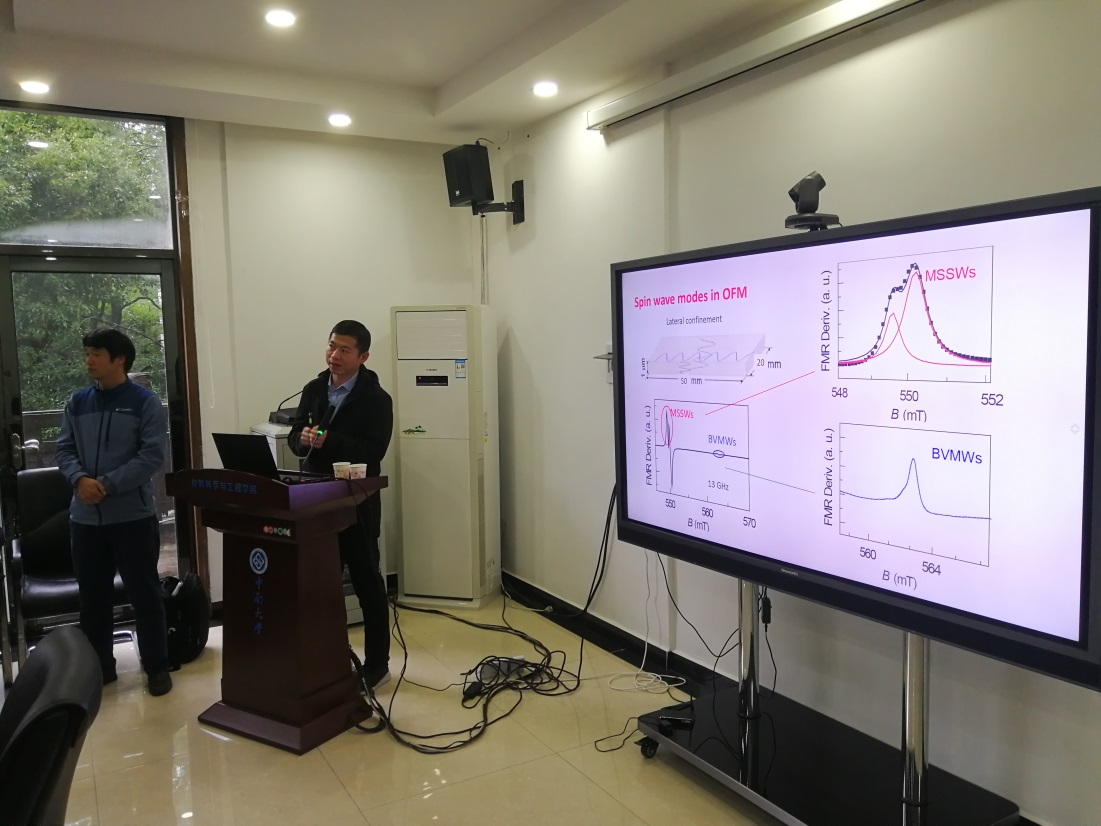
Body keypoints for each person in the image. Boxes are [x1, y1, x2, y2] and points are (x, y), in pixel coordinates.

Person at [55, 328, 172, 695]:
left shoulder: (144, 402)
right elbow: (64, 449)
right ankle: (100, 670)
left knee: (145, 595)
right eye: (87, 353)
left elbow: (151, 456)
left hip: (132, 518)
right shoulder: (77, 402)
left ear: (119, 359)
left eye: (96, 354)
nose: (89, 360)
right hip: (85, 519)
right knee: (93, 600)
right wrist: (79, 479)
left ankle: (156, 667)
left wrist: (104, 484)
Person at [287, 320, 394, 689]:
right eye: (332, 346)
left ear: (363, 357)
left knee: (367, 582)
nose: (334, 355)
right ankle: (326, 659)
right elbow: (295, 437)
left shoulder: (376, 399)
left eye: (344, 350)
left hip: (356, 501)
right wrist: (302, 439)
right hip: (317, 500)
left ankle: (377, 664)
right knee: (321, 583)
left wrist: (329, 440)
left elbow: (374, 450)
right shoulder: (314, 388)